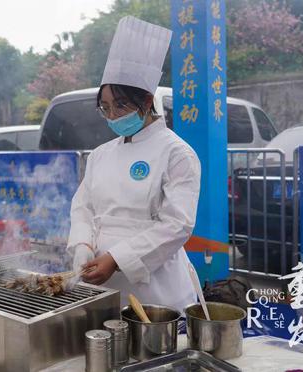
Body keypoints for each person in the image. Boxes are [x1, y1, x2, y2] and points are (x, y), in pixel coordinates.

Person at [68, 17, 201, 312]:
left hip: (157, 293)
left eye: (122, 106)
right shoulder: (100, 154)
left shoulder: (177, 152)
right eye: (106, 108)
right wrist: (82, 245)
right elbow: (84, 207)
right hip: (101, 288)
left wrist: (116, 259)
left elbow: (177, 225)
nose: (113, 116)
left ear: (147, 100)